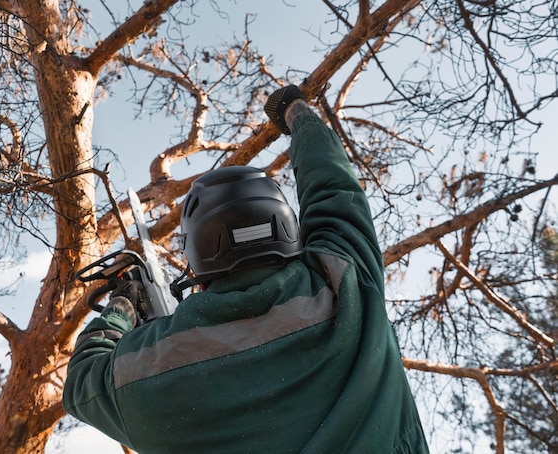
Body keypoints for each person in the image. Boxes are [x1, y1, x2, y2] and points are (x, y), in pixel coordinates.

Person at [63, 85, 429, 453]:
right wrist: (296, 111)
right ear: (287, 229)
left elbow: (81, 381)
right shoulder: (345, 283)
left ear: (199, 259)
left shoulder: (151, 370)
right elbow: (333, 186)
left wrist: (121, 307)